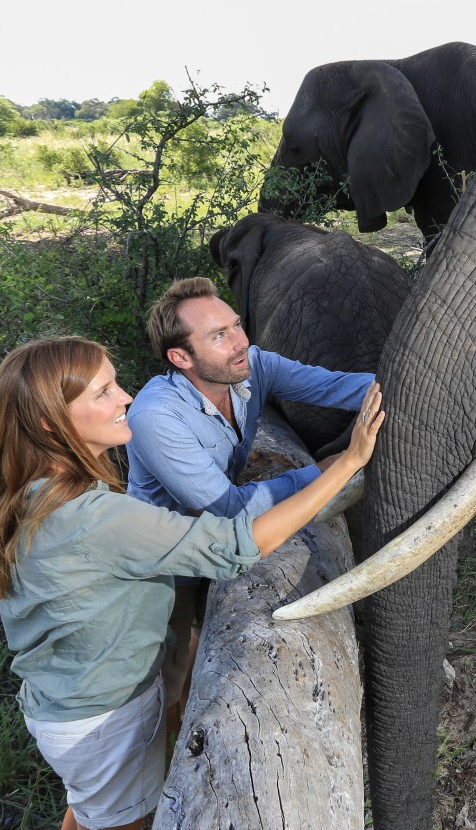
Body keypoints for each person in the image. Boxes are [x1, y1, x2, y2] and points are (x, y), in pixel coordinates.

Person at [0, 336, 384, 830]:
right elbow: (239, 543)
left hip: (64, 703)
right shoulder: (92, 518)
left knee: (88, 808)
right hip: (104, 720)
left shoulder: (30, 491)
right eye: (103, 393)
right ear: (50, 424)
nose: (125, 398)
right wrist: (347, 464)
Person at [125, 276, 375, 732]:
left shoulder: (252, 365)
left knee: (201, 651)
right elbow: (229, 510)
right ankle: (139, 778)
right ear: (181, 358)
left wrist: (423, 386)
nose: (240, 342)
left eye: (236, 325)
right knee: (164, 682)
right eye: (218, 336)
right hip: (168, 563)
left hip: (221, 542)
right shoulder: (155, 416)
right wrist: (324, 471)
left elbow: (339, 387)